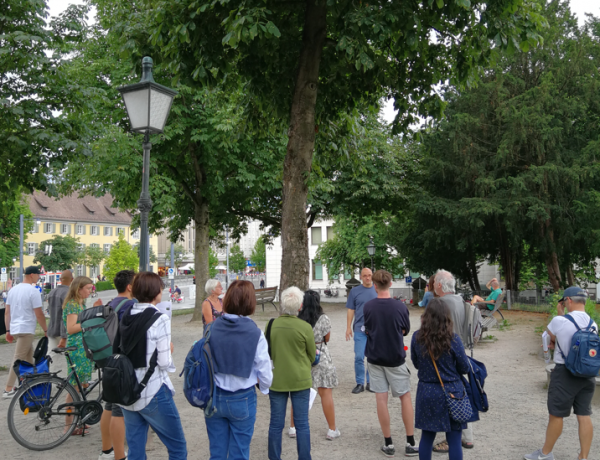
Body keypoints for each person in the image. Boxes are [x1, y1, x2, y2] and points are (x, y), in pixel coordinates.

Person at [118, 272, 187, 460]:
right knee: (178, 448)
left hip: (128, 390)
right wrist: (169, 350)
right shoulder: (160, 318)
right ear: (155, 291)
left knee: (136, 451)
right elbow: (164, 362)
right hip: (152, 389)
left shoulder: (127, 314)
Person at [524, 286, 597, 460]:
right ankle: (584, 456)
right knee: (584, 415)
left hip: (565, 373)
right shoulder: (592, 323)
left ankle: (545, 454)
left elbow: (550, 338)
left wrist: (559, 312)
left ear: (568, 301)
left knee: (556, 415)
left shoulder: (560, 320)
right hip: (588, 374)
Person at [205, 280, 273, 459]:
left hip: (215, 396)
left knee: (217, 453)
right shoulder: (255, 333)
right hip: (242, 396)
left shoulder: (211, 328)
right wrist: (264, 387)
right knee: (240, 452)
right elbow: (265, 370)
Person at [364, 270, 417, 457]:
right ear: (391, 284)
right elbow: (405, 331)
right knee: (405, 397)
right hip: (395, 357)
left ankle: (388, 442)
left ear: (375, 286)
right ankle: (410, 441)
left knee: (381, 399)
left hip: (375, 357)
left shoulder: (368, 307)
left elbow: (367, 329)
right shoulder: (400, 307)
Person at [410, 298, 470, 460]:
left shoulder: (417, 337)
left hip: (427, 391)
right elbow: (464, 367)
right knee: (455, 439)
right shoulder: (453, 339)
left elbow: (416, 363)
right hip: (452, 392)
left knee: (427, 437)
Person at [267, 286, 316, 460]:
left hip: (277, 379)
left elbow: (268, 353)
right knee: (302, 424)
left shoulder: (272, 325)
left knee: (275, 424)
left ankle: (274, 457)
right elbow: (311, 355)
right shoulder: (305, 327)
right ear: (300, 306)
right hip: (300, 379)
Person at [432, 269, 474, 451]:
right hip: (461, 351)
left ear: (440, 285)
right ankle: (468, 436)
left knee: (449, 397)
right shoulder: (459, 300)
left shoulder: (438, 304)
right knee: (461, 394)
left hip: (445, 356)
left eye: (434, 283)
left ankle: (452, 438)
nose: (433, 286)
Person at [290, 290, 340, 440]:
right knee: (325, 393)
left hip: (301, 356)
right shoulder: (324, 318)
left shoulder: (297, 318)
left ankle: (293, 427)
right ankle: (332, 429)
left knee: (299, 393)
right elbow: (327, 338)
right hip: (321, 355)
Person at [99, 270, 137, 460]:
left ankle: (106, 450)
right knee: (119, 409)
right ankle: (120, 455)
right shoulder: (131, 305)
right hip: (123, 360)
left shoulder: (110, 303)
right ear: (130, 287)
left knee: (109, 403)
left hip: (108, 359)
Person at [62, 276, 102, 434]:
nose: (90, 291)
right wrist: (92, 317)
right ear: (78, 289)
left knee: (81, 386)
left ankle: (79, 421)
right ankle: (68, 426)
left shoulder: (80, 303)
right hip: (76, 348)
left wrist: (93, 309)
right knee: (74, 388)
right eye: (88, 288)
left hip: (83, 346)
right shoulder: (72, 304)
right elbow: (71, 328)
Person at [3, 266, 47, 399]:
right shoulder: (33, 291)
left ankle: (34, 382)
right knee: (18, 359)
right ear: (32, 275)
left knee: (30, 358)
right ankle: (8, 389)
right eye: (38, 275)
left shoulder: (13, 290)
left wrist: (8, 330)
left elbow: (7, 312)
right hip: (26, 329)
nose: (39, 277)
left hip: (15, 328)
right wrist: (46, 330)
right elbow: (39, 314)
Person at [345, 267, 377, 393]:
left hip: (375, 329)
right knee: (359, 356)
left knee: (373, 357)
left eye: (369, 275)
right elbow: (350, 309)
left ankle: (370, 382)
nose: (368, 278)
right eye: (365, 275)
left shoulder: (377, 289)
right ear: (361, 277)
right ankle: (360, 383)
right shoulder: (355, 291)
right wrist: (348, 327)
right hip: (359, 328)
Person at [47, 270, 73, 353]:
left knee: (51, 357)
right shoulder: (69, 294)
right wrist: (64, 336)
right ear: (72, 279)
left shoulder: (52, 292)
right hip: (63, 331)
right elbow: (65, 316)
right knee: (70, 357)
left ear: (60, 279)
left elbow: (49, 310)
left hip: (52, 329)